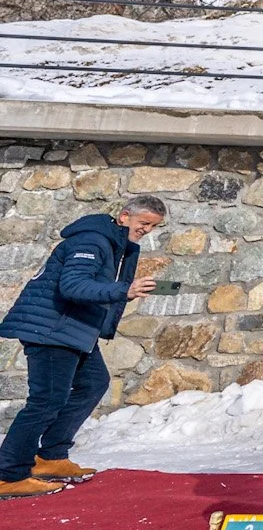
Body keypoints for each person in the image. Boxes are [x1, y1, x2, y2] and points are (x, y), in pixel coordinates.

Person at [0, 196, 166, 498]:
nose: (147, 231)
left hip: (74, 330)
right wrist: (123, 290)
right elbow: (73, 285)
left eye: (153, 227)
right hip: (52, 329)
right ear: (125, 216)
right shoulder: (92, 241)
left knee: (93, 383)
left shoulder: (116, 245)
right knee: (46, 401)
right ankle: (8, 473)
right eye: (144, 224)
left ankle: (50, 457)